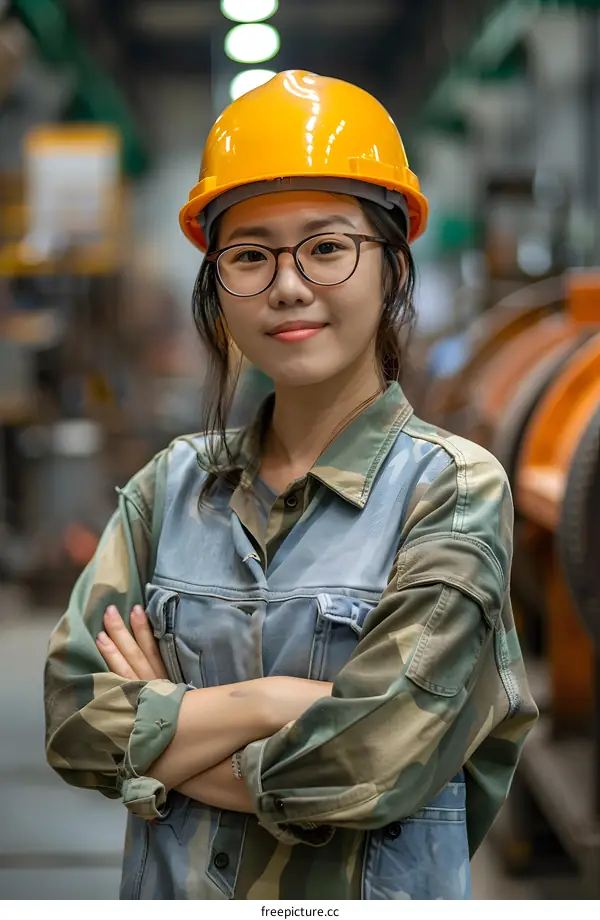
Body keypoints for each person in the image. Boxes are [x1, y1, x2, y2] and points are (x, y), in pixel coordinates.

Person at [44, 70, 538, 901]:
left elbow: (367, 765)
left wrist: (166, 732)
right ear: (217, 287)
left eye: (327, 246)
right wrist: (276, 701)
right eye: (249, 255)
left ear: (392, 266)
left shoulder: (449, 491)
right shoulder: (169, 489)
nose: (288, 284)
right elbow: (74, 723)